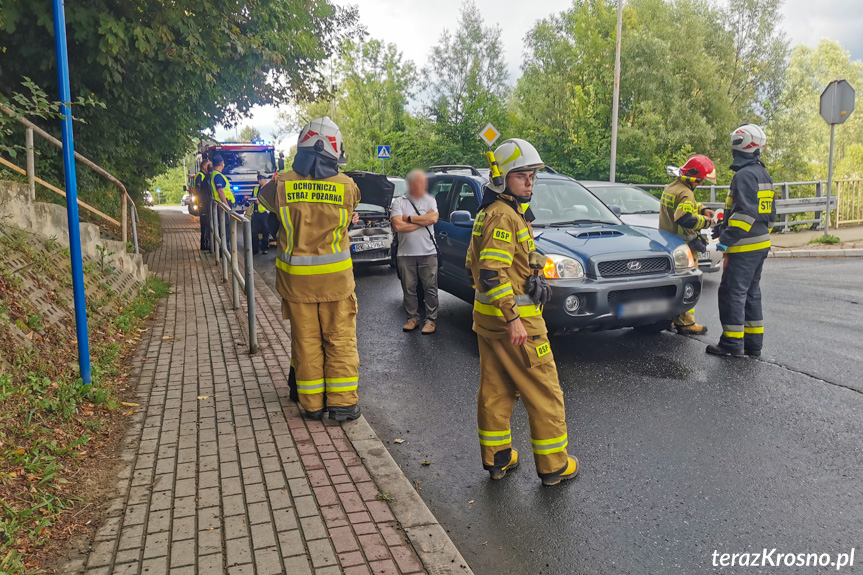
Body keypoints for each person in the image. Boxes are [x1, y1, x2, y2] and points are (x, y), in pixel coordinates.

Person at [466, 138, 578, 487]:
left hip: (489, 322)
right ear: (502, 179)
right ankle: (554, 466)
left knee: (496, 391)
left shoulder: (497, 212)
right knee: (544, 391)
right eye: (522, 176)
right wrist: (514, 318)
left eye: (532, 176)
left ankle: (498, 459)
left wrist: (532, 273)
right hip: (518, 325)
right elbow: (489, 271)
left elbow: (491, 262)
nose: (530, 182)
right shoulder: (504, 216)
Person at [257, 116, 363, 422]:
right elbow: (351, 207)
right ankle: (342, 403)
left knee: (306, 342)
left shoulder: (281, 185)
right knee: (339, 339)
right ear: (334, 151)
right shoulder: (347, 187)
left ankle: (313, 405)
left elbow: (263, 200)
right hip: (336, 283)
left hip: (296, 284)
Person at [707, 124, 777, 358]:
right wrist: (723, 227)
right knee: (751, 293)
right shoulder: (762, 173)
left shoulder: (744, 175)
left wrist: (726, 239)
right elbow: (768, 215)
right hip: (760, 243)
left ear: (738, 144)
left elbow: (745, 214)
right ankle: (753, 344)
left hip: (744, 245)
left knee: (732, 293)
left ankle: (731, 344)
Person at [658, 154, 717, 335]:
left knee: (671, 284)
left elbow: (686, 205)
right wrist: (707, 221)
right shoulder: (686, 193)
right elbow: (684, 217)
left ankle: (668, 317)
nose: (700, 184)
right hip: (684, 249)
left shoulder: (672, 187)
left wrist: (701, 208)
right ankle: (685, 323)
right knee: (688, 284)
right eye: (700, 181)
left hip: (668, 244)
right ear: (693, 178)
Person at [391, 169, 439, 334]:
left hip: (428, 252)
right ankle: (412, 318)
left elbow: (433, 219)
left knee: (430, 288)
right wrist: (422, 221)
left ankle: (431, 320)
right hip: (405, 254)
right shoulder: (399, 202)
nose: (423, 185)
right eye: (420, 182)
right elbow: (397, 226)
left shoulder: (430, 200)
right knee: (409, 289)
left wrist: (408, 218)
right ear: (411, 184)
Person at [251, 173, 270, 255]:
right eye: (258, 179)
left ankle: (265, 248)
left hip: (265, 213)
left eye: (260, 179)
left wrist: (260, 202)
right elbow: (253, 197)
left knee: (266, 231)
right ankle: (255, 249)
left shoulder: (269, 189)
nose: (259, 180)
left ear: (265, 179)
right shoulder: (256, 188)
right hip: (256, 213)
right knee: (254, 232)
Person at [196, 161, 213, 251]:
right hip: (203, 204)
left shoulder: (203, 176)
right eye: (208, 165)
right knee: (205, 224)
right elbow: (199, 190)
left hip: (204, 203)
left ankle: (206, 244)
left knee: (206, 225)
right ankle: (205, 244)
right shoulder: (200, 175)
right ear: (204, 166)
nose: (210, 167)